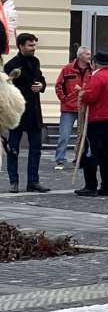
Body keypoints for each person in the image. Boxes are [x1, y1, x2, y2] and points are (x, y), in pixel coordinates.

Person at [4, 33, 49, 193]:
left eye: (34, 45)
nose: (33, 48)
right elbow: (7, 87)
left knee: (36, 149)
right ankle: (14, 182)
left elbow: (41, 78)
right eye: (30, 45)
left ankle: (33, 182)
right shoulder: (11, 65)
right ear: (21, 46)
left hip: (34, 113)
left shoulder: (35, 62)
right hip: (17, 113)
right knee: (13, 149)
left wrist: (41, 86)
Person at [75, 53, 108, 197]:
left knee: (91, 153)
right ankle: (107, 186)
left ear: (94, 63)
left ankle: (91, 185)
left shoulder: (97, 77)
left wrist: (81, 92)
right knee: (106, 155)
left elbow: (90, 97)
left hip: (96, 120)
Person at [53, 45, 91, 170]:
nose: (89, 56)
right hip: (68, 108)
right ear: (80, 55)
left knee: (82, 136)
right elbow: (58, 85)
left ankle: (78, 159)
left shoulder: (92, 70)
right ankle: (60, 160)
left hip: (84, 107)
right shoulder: (68, 69)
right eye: (87, 54)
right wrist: (63, 99)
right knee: (64, 135)